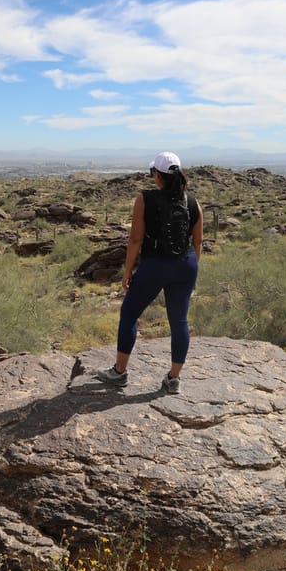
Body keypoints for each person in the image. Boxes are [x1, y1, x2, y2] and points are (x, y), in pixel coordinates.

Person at [96, 151, 203, 394]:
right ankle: (173, 379)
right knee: (179, 322)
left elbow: (135, 239)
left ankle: (119, 373)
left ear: (157, 174)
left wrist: (128, 271)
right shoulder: (194, 201)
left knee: (129, 314)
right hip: (186, 264)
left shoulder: (145, 200)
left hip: (155, 264)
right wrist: (191, 271)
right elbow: (198, 241)